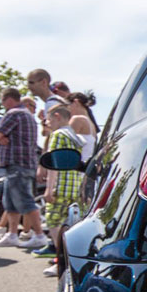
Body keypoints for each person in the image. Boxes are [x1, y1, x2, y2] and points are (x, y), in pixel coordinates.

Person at [0, 87, 49, 250]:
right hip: (26, 163)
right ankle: (12, 234)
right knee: (10, 202)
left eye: (2, 101)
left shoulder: (14, 114)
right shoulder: (28, 116)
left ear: (9, 99)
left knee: (25, 201)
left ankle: (39, 235)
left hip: (17, 164)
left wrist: (1, 137)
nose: (3, 105)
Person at [38, 106, 85, 275]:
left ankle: (61, 259)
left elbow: (54, 163)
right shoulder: (75, 136)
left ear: (57, 116)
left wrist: (49, 188)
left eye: (49, 120)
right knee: (72, 224)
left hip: (61, 186)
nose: (47, 123)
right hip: (75, 185)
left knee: (53, 221)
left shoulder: (57, 135)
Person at [66, 91, 98, 162]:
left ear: (76, 102)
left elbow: (63, 142)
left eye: (67, 106)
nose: (67, 110)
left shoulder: (77, 119)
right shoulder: (92, 125)